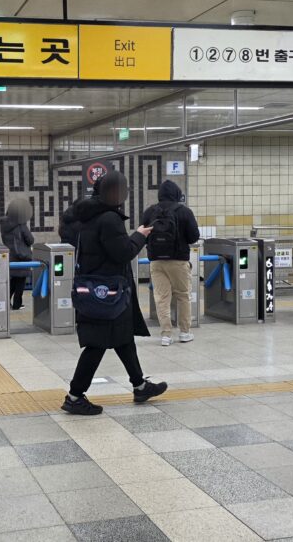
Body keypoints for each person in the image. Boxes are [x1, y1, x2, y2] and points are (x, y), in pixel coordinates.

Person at [63, 171, 168, 415]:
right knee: (97, 345)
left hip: (102, 289)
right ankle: (74, 396)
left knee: (123, 338)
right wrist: (139, 236)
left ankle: (140, 385)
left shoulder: (86, 216)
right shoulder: (109, 218)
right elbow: (122, 252)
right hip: (107, 291)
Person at [140, 180, 200, 346]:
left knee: (162, 298)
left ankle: (166, 335)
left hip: (156, 261)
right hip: (178, 260)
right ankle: (185, 332)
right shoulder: (184, 211)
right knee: (182, 296)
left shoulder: (150, 212)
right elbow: (194, 236)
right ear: (177, 194)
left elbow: (143, 233)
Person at [0, 198, 35, 310]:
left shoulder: (4, 225)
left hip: (11, 256)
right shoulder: (21, 224)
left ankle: (5, 301)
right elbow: (30, 239)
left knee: (14, 280)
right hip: (22, 257)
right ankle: (17, 304)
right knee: (20, 282)